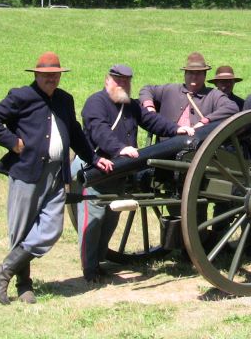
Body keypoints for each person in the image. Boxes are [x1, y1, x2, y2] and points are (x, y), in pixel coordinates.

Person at [0, 52, 113, 304]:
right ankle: (23, 285)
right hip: (27, 172)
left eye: (55, 75)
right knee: (21, 231)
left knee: (52, 228)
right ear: (37, 75)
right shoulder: (21, 96)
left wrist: (94, 158)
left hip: (56, 173)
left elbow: (74, 132)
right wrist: (13, 142)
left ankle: (3, 271)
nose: (51, 79)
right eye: (46, 75)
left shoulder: (65, 99)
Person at [74, 64, 194, 282]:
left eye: (127, 81)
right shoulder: (96, 103)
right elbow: (98, 131)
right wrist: (119, 149)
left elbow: (151, 120)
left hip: (120, 171)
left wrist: (176, 130)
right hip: (97, 168)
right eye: (119, 80)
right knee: (93, 219)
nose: (123, 85)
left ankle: (99, 262)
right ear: (107, 80)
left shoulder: (130, 105)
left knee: (110, 219)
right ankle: (89, 269)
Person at [139, 52, 239, 133]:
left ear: (204, 76)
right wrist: (150, 108)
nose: (194, 77)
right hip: (167, 144)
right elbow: (147, 89)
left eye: (198, 73)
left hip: (197, 150)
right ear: (185, 74)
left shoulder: (213, 95)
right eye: (191, 73)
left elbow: (231, 107)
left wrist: (205, 121)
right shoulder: (170, 90)